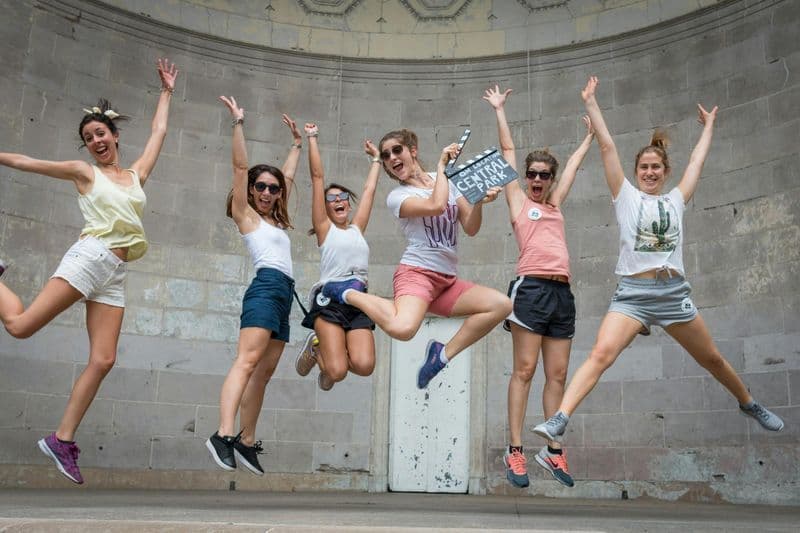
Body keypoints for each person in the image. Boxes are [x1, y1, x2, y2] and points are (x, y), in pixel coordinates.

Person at [533, 76, 784, 452]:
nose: (649, 172)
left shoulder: (676, 200)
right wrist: (591, 102)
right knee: (601, 354)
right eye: (644, 167)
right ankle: (560, 418)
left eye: (656, 167)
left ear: (665, 172)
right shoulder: (626, 197)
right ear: (636, 173)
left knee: (711, 357)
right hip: (633, 294)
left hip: (672, 293)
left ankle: (748, 402)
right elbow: (607, 146)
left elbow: (697, 161)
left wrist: (710, 127)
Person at [0, 59, 178, 484]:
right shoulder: (85, 174)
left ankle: (62, 439)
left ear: (115, 136)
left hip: (114, 272)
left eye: (100, 133)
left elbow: (158, 134)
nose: (96, 140)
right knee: (21, 327)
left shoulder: (136, 176)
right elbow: (27, 161)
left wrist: (167, 92)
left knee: (104, 358)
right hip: (91, 257)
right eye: (88, 138)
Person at [321, 129, 512, 390]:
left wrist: (477, 201)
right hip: (418, 274)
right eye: (386, 155)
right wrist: (442, 167)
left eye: (397, 150)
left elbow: (470, 227)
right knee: (402, 328)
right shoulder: (397, 197)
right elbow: (436, 205)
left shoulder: (446, 180)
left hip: (446, 280)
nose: (391, 157)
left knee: (500, 305)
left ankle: (440, 356)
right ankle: (347, 294)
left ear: (413, 150)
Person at [483, 85, 594, 488]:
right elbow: (508, 152)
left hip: (562, 294)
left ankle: (552, 451)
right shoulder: (518, 202)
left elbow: (576, 166)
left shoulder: (555, 204)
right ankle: (514, 450)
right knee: (525, 370)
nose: (536, 179)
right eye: (531, 174)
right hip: (530, 290)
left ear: (550, 180)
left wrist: (588, 137)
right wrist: (500, 110)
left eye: (544, 175)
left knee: (559, 375)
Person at [206, 96, 302, 475]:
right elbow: (240, 165)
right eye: (260, 186)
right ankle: (223, 434)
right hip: (265, 288)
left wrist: (297, 144)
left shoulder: (276, 220)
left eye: (273, 189)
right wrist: (238, 123)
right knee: (247, 362)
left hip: (284, 295)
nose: (267, 192)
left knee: (264, 372)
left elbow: (289, 177)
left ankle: (246, 440)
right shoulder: (244, 216)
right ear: (249, 190)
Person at [293, 123, 380, 391]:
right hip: (329, 301)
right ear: (327, 208)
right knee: (338, 372)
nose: (339, 200)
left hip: (357, 303)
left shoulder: (357, 229)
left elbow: (369, 192)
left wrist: (376, 159)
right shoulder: (325, 230)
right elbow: (317, 177)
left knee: (365, 366)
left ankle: (330, 356)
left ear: (348, 203)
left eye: (343, 196)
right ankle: (318, 349)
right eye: (332, 199)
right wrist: (312, 138)